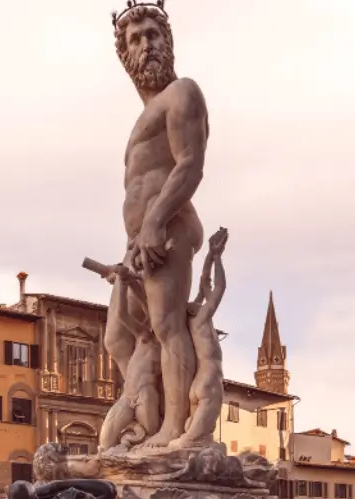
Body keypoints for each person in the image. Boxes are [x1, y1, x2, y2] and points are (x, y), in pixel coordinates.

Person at [110, 2, 209, 447]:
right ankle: (144, 417)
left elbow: (190, 165)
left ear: (168, 43)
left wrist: (153, 223)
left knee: (167, 327)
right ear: (124, 55)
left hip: (166, 229)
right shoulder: (139, 119)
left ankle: (174, 430)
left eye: (153, 35)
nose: (146, 44)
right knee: (120, 337)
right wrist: (135, 237)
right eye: (136, 39)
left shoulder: (183, 92)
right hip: (139, 240)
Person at [172, 227, 227, 448]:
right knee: (191, 443)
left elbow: (205, 286)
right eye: (197, 302)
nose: (201, 300)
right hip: (211, 380)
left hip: (196, 386)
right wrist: (217, 257)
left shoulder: (188, 322)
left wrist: (209, 257)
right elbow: (218, 287)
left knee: (193, 441)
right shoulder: (201, 319)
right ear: (193, 310)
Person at [97, 264, 162, 451]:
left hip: (147, 395)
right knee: (105, 443)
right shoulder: (144, 336)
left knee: (149, 440)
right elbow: (121, 314)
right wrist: (123, 283)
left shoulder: (171, 345)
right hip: (128, 395)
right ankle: (127, 442)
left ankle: (128, 443)